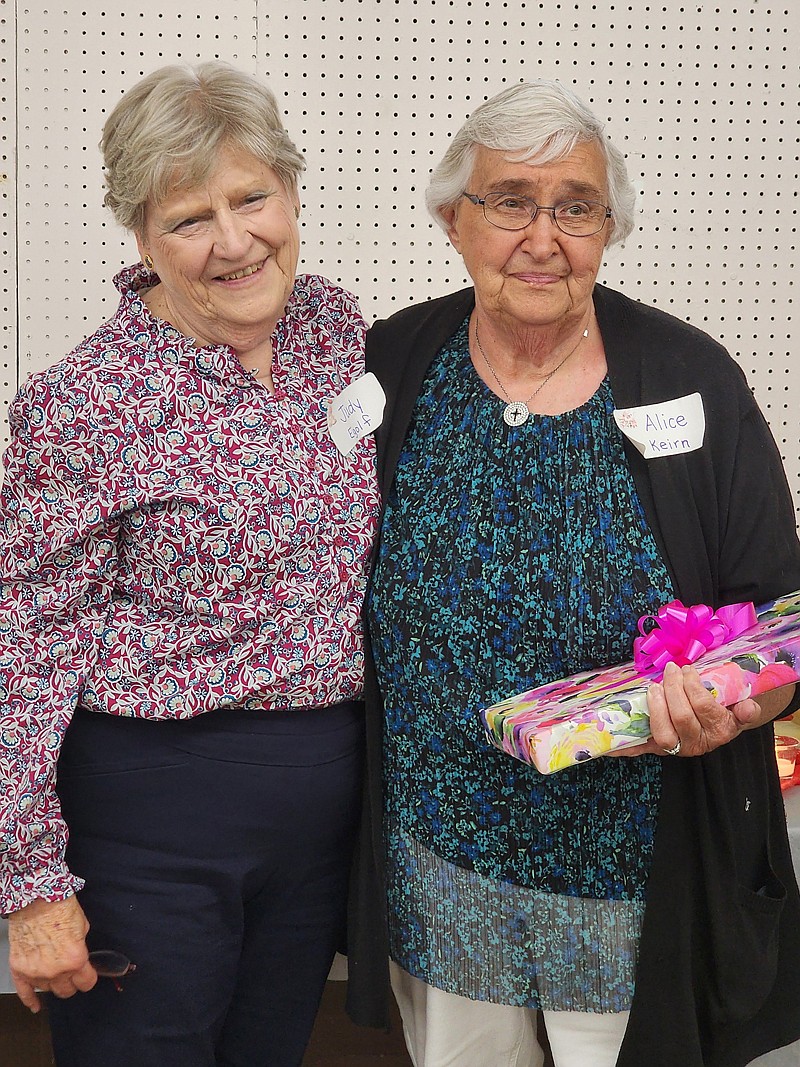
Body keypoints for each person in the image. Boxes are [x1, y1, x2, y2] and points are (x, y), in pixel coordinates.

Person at [361, 81, 800, 1067]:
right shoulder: (395, 362)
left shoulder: (689, 375)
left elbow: (778, 614)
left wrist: (735, 702)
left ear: (608, 227)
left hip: (631, 874)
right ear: (451, 220)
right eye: (509, 200)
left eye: (575, 205)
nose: (541, 235)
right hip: (444, 860)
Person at [0, 61, 380, 1067]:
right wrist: (31, 883)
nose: (232, 240)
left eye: (251, 196)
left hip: (320, 807)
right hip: (153, 813)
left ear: (291, 191)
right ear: (140, 237)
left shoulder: (334, 332)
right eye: (189, 217)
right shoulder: (80, 401)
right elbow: (24, 651)